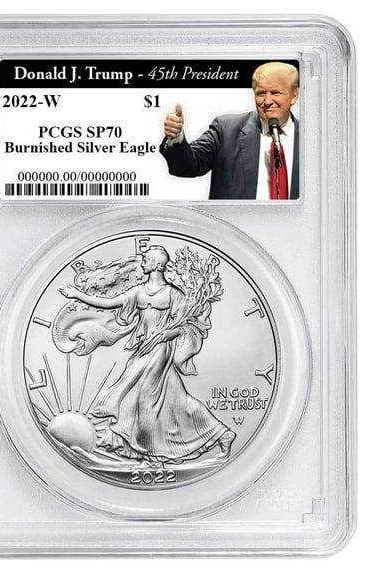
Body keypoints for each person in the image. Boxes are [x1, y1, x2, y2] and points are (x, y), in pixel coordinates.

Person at [58, 246, 236, 465]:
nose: (142, 262)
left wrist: (168, 334)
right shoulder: (138, 292)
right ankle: (221, 434)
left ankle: (151, 454)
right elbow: (109, 303)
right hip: (144, 347)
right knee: (175, 399)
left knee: (144, 398)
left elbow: (186, 325)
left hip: (161, 349)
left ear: (157, 265)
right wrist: (78, 295)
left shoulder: (173, 294)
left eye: (146, 259)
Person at [160, 61, 299, 200]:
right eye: (261, 93)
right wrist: (176, 137)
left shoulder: (310, 139)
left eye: (275, 93)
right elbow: (186, 166)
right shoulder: (226, 131)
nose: (267, 101)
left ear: (294, 95)